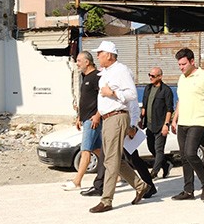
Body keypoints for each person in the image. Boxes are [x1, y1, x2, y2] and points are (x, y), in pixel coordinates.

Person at [89, 41, 149, 213]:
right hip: (108, 118)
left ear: (109, 54)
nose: (98, 56)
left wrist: (113, 93)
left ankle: (106, 200)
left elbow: (131, 94)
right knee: (111, 158)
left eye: (100, 53)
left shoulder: (121, 70)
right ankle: (140, 185)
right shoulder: (106, 72)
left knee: (111, 160)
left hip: (116, 117)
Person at [170, 48, 204, 201]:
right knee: (184, 157)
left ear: (192, 61)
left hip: (198, 121)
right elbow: (180, 101)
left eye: (183, 64)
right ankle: (188, 190)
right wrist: (175, 119)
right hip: (183, 121)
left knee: (191, 153)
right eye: (179, 65)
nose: (181, 67)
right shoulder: (182, 78)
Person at [63, 51, 101, 191]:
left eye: (79, 61)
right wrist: (79, 117)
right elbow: (85, 100)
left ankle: (77, 181)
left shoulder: (97, 77)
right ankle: (119, 175)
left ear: (87, 62)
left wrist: (97, 115)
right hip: (86, 119)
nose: (77, 63)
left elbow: (102, 99)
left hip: (92, 120)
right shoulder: (85, 77)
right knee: (99, 150)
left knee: (85, 150)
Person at [140, 67, 174, 179]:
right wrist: (141, 118)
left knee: (159, 149)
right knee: (151, 148)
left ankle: (154, 172)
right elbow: (144, 106)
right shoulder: (148, 88)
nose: (150, 77)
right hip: (149, 125)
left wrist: (166, 125)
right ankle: (166, 164)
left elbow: (169, 109)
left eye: (153, 76)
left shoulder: (166, 90)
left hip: (160, 125)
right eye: (149, 75)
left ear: (160, 76)